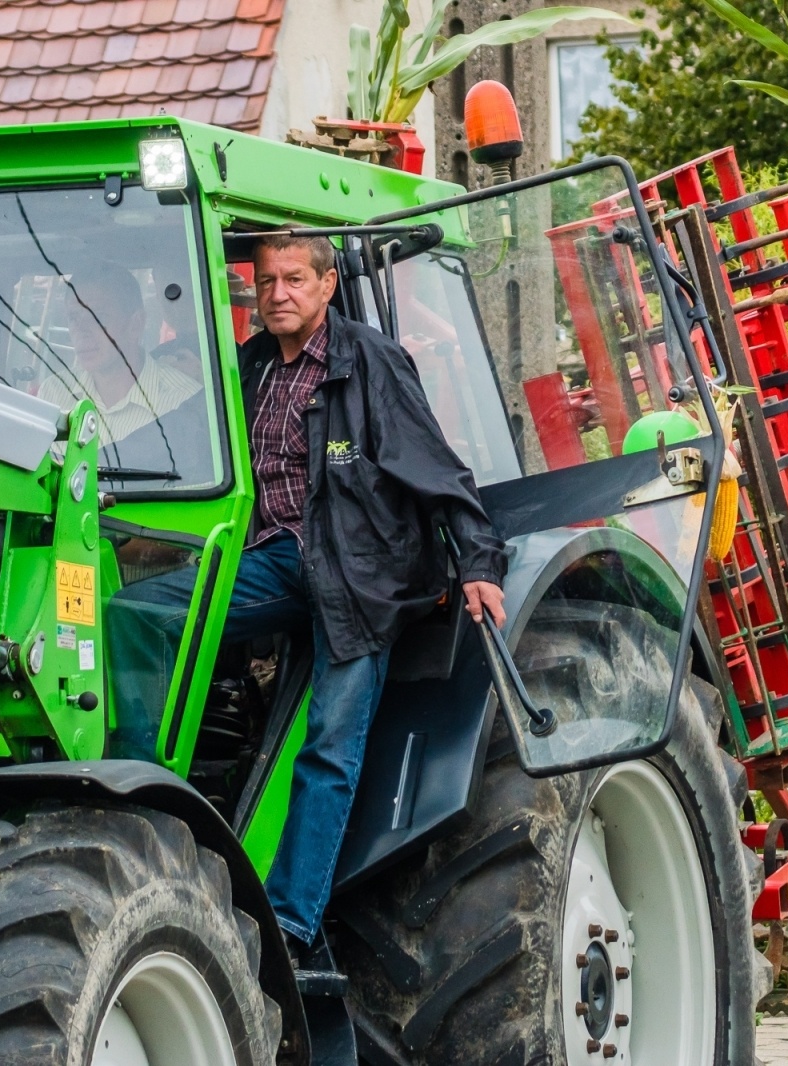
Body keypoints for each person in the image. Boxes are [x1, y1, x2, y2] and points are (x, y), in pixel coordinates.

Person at [106, 232, 506, 953]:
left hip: (361, 576)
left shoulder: (371, 363)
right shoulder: (252, 366)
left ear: (326, 286)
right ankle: (143, 809)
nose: (278, 293)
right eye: (265, 282)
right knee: (141, 611)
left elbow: (440, 470)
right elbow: (175, 440)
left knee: (330, 744)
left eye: (294, 279)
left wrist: (479, 562)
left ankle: (290, 922)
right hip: (280, 557)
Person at [38, 263, 212, 483]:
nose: (81, 331)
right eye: (74, 317)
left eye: (97, 316)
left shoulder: (185, 400)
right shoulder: (53, 394)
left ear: (136, 324)